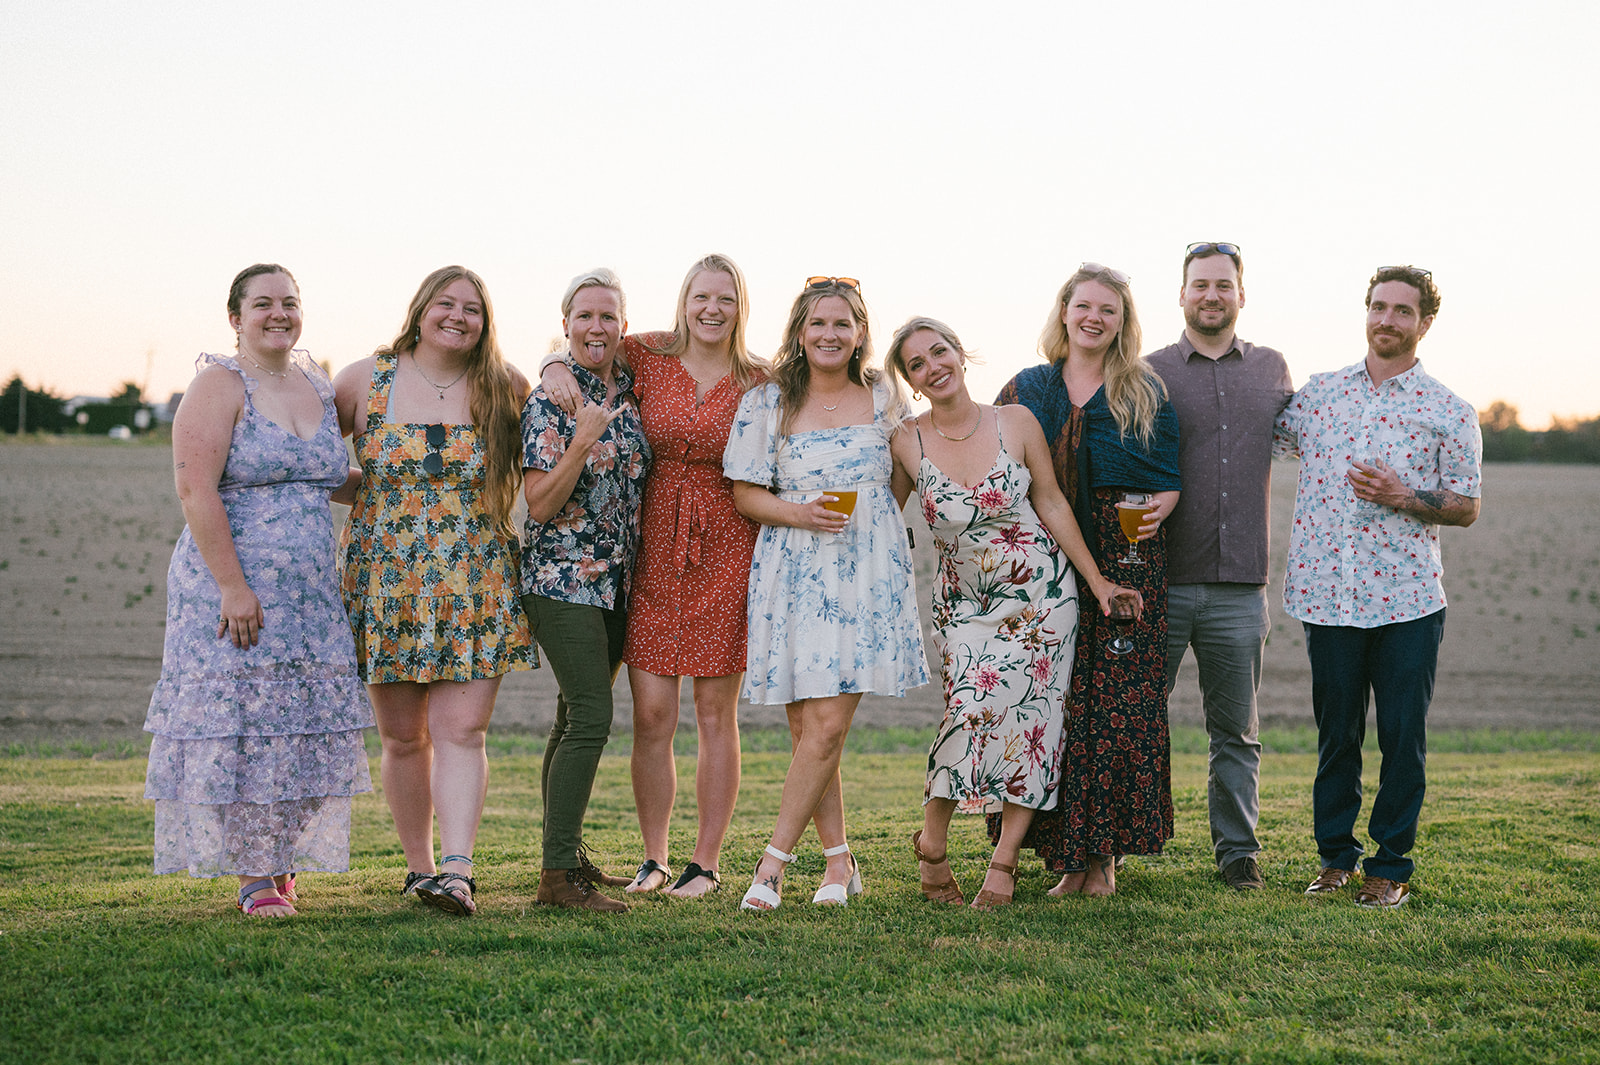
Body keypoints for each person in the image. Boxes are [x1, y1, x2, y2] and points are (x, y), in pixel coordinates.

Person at [883, 317, 1140, 910]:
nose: (933, 367)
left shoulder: (1015, 421)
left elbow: (1049, 501)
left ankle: (1003, 864)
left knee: (1035, 726)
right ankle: (933, 845)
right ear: (911, 383)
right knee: (969, 711)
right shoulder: (905, 441)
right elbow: (884, 524)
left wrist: (1097, 581)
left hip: (1044, 598)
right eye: (917, 364)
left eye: (939, 351)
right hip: (965, 606)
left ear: (959, 353)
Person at [145, 264, 372, 917]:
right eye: (264, 303)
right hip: (234, 589)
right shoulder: (218, 385)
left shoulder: (316, 385)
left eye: (290, 302)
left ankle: (280, 854)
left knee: (306, 726)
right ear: (235, 317)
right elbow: (195, 488)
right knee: (247, 730)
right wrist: (232, 586)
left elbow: (325, 475)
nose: (280, 313)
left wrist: (412, 486)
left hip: (312, 593)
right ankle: (254, 873)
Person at [540, 255, 765, 899]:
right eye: (701, 297)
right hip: (652, 549)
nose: (711, 309)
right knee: (653, 715)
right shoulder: (648, 354)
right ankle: (655, 858)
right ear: (683, 302)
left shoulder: (761, 379)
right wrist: (553, 362)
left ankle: (706, 863)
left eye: (725, 298)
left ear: (740, 307)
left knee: (715, 713)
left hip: (727, 546)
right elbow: (587, 343)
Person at [1276, 265, 1481, 909]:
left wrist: (1403, 494)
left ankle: (1389, 867)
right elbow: (1254, 437)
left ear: (1425, 323)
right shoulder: (1319, 395)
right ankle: (1335, 859)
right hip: (1327, 597)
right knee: (1336, 737)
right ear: (1366, 311)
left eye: (1402, 310)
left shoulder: (1449, 411)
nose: (1387, 319)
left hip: (1408, 602)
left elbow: (1467, 505)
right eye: (1378, 306)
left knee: (1401, 738)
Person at [335, 266, 535, 917]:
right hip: (386, 581)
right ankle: (418, 869)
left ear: (485, 322)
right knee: (401, 736)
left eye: (472, 308)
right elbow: (309, 462)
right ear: (420, 309)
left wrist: (557, 368)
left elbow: (546, 453)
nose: (457, 316)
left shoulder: (505, 386)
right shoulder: (364, 380)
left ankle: (458, 872)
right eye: (446, 304)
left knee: (463, 730)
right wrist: (375, 492)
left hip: (475, 581)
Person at [724, 276, 928, 911]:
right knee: (809, 729)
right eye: (818, 323)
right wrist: (800, 514)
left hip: (865, 576)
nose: (830, 334)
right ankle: (839, 863)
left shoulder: (883, 394)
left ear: (861, 332)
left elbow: (901, 477)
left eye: (843, 323)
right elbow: (745, 493)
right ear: (800, 331)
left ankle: (771, 866)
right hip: (792, 568)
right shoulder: (768, 400)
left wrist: (874, 531)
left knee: (828, 724)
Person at [995, 263, 1181, 897]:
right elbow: (993, 465)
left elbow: (1169, 477)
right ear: (1065, 311)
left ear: (1122, 322)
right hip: (1042, 559)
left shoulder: (1144, 391)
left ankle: (1102, 859)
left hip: (1127, 556)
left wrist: (1161, 507)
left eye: (1109, 309)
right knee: (1054, 702)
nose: (1094, 318)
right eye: (1085, 306)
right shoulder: (1027, 388)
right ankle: (1063, 856)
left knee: (1116, 705)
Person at [1145, 243, 1295, 891]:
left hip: (1240, 584)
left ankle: (1238, 854)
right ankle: (1115, 845)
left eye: (1223, 285)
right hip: (1159, 581)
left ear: (1241, 295)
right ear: (1181, 295)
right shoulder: (1148, 371)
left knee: (1235, 730)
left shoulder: (1271, 368)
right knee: (1135, 716)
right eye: (1200, 284)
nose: (1212, 295)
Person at [522, 268, 652, 913]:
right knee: (592, 716)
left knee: (571, 716)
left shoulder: (631, 387)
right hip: (562, 579)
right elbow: (540, 505)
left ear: (623, 325)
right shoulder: (549, 401)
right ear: (566, 323)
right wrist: (581, 442)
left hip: (618, 585)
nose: (596, 327)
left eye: (608, 317)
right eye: (584, 316)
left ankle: (566, 855)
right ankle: (555, 880)